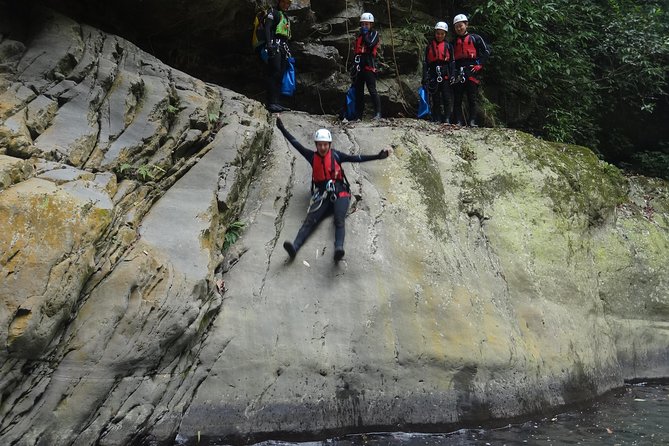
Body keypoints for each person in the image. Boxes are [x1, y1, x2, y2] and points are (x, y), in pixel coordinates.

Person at [276, 117, 390, 262]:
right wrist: (281, 128)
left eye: (325, 145)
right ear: (316, 145)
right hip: (322, 195)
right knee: (310, 221)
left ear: (329, 145)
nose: (323, 148)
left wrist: (378, 157)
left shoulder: (336, 156)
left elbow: (357, 158)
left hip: (340, 192)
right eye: (320, 145)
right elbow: (295, 143)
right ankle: (295, 247)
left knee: (339, 219)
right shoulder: (311, 156)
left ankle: (339, 248)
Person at [451, 14, 490, 127]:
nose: (459, 28)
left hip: (472, 70)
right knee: (457, 98)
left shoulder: (475, 38)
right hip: (459, 71)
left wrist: (480, 64)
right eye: (456, 27)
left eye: (461, 26)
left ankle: (472, 121)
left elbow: (486, 51)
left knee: (472, 97)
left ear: (466, 25)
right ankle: (458, 121)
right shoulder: (453, 42)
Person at [350, 12, 382, 120]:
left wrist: (364, 35)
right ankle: (358, 115)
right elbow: (356, 51)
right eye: (363, 24)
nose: (364, 27)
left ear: (371, 25)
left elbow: (370, 44)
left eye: (367, 24)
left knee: (372, 90)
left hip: (368, 65)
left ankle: (377, 113)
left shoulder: (374, 34)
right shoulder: (359, 35)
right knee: (359, 91)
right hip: (359, 65)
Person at [422, 21, 455, 123]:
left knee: (446, 97)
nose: (439, 35)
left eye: (442, 33)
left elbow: (452, 62)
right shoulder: (429, 47)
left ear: (445, 34)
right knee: (435, 97)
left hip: (445, 74)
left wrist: (452, 75)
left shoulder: (449, 46)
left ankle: (447, 118)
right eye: (438, 33)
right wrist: (424, 77)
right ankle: (437, 118)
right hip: (433, 73)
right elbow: (426, 63)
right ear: (435, 33)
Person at [265, 0, 293, 113]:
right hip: (274, 44)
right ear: (279, 2)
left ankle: (276, 102)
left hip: (283, 46)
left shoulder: (285, 16)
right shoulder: (274, 13)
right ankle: (271, 102)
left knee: (280, 74)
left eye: (288, 4)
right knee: (274, 72)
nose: (286, 6)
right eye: (285, 3)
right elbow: (267, 27)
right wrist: (269, 45)